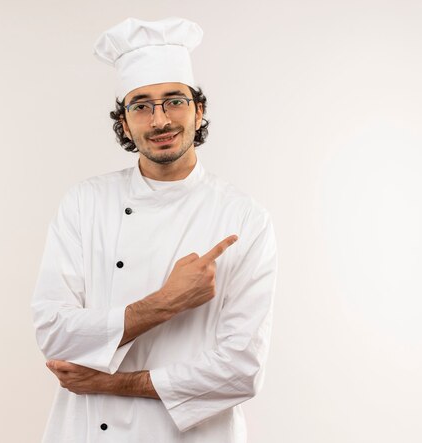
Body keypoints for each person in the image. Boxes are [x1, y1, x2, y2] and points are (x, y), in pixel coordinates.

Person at [32, 17, 278, 443]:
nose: (160, 120)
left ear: (198, 110)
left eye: (174, 101)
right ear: (124, 124)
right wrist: (165, 303)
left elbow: (241, 371)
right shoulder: (85, 203)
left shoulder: (244, 218)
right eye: (141, 105)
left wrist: (111, 383)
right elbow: (54, 333)